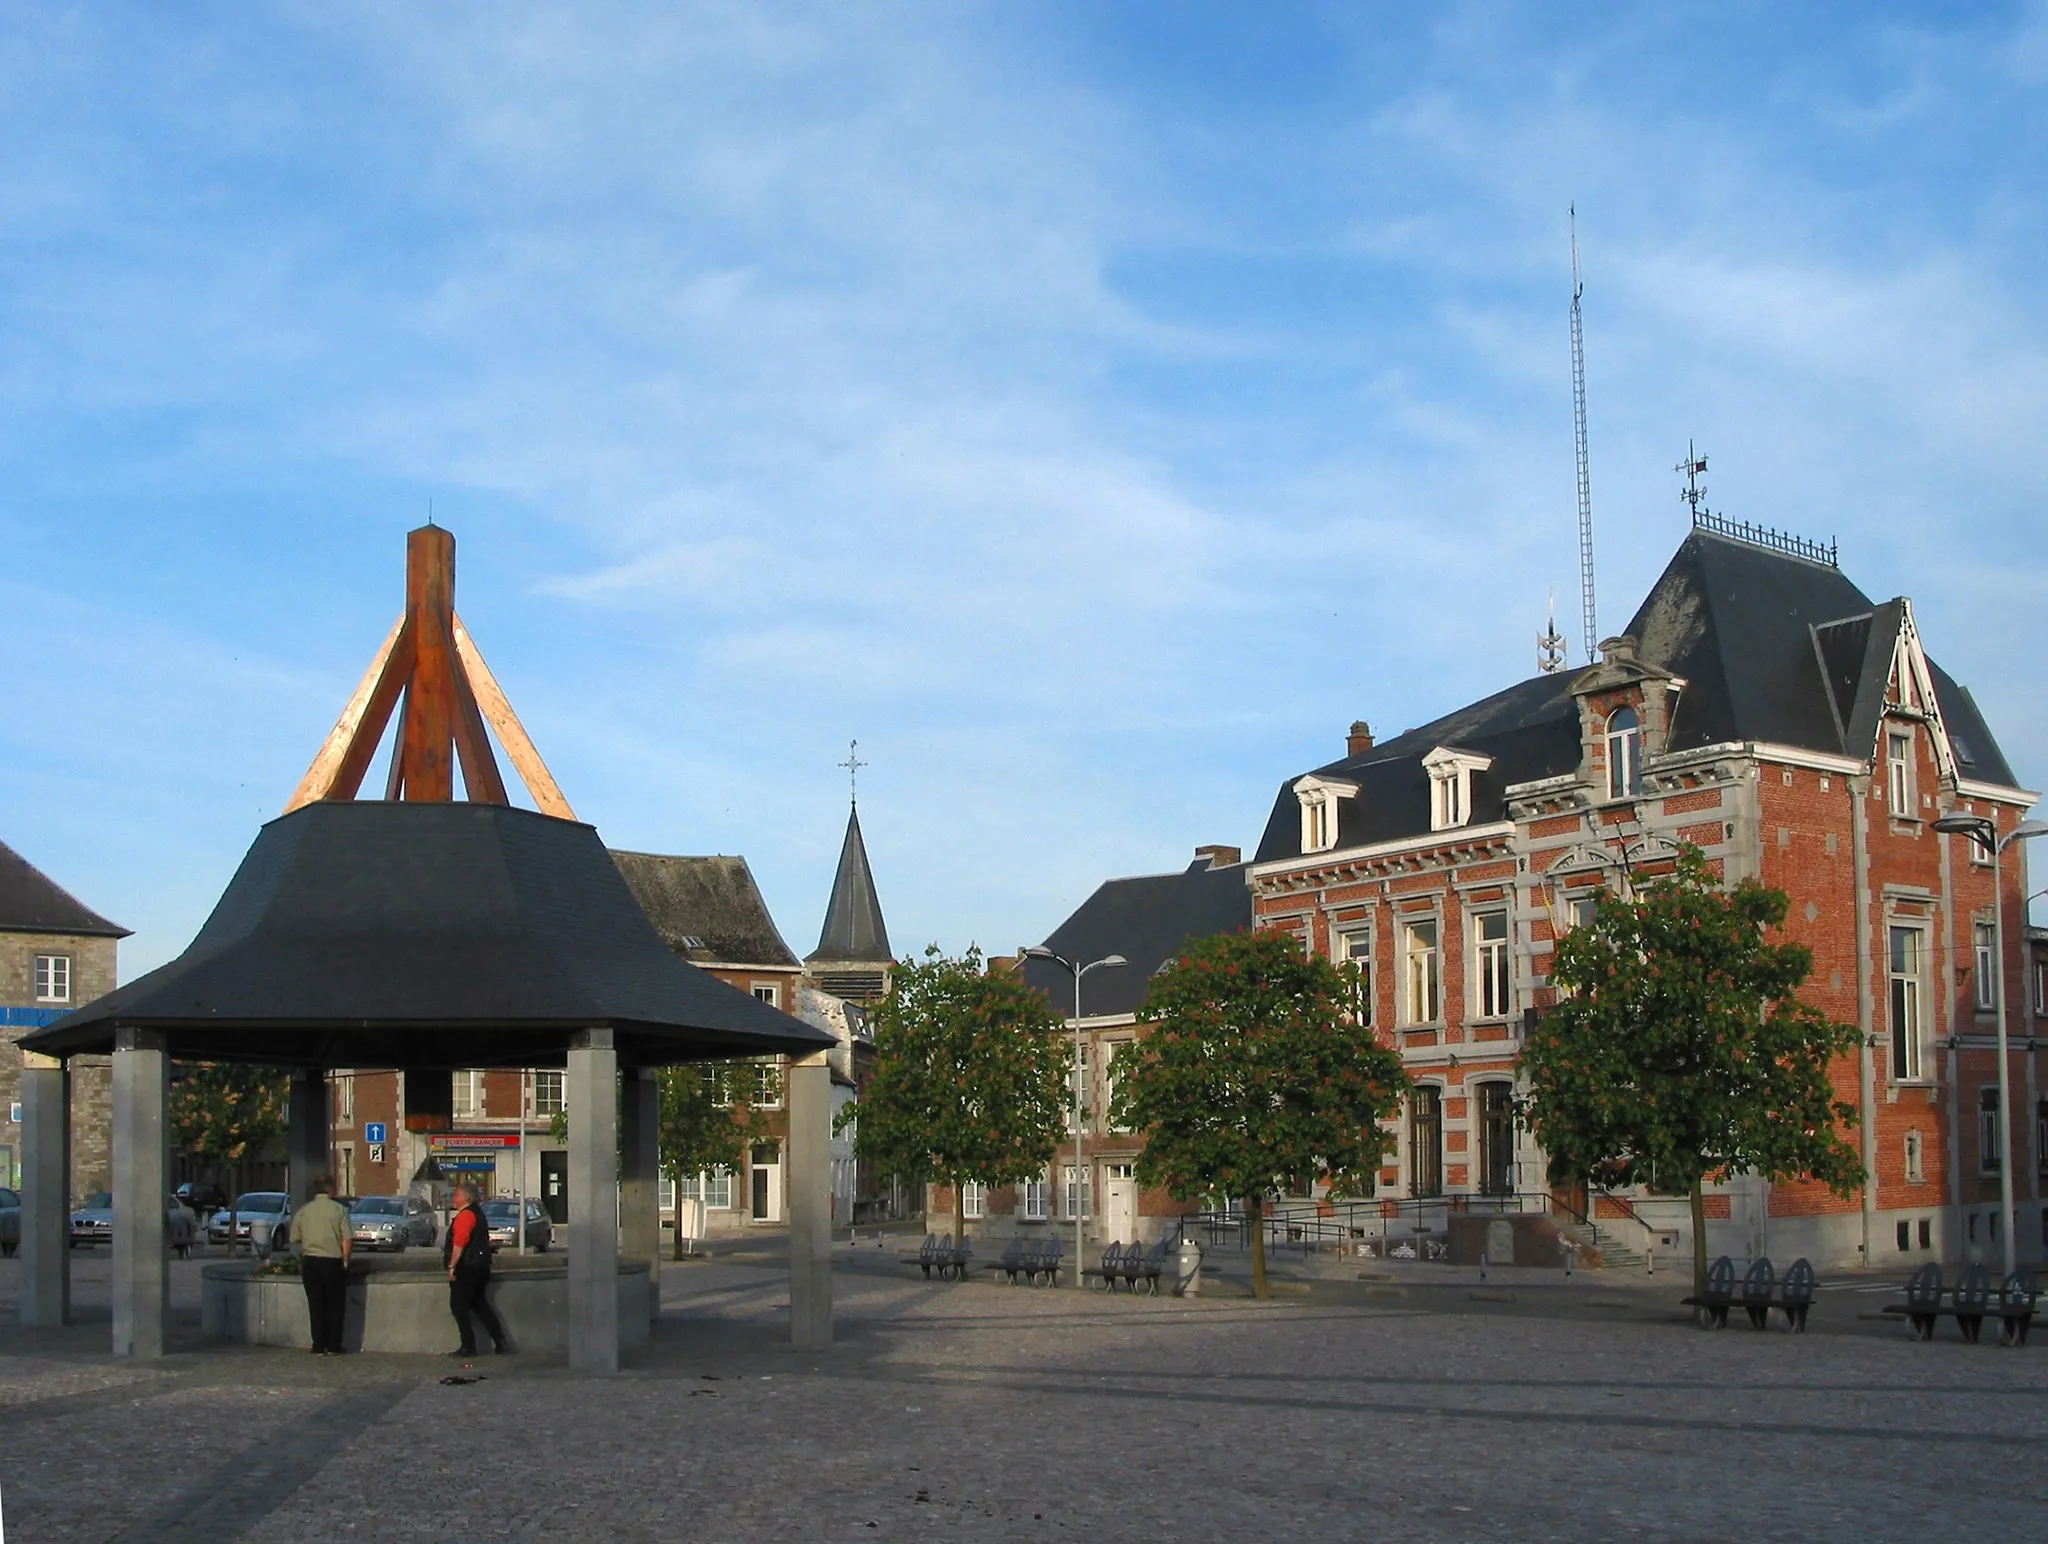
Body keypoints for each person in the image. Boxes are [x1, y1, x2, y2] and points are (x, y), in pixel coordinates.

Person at [288, 1175, 351, 1356]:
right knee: (334, 1305)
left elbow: (294, 1237)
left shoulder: (304, 1211)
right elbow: (347, 1238)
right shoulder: (339, 1210)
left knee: (315, 1305)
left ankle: (318, 1346)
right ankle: (333, 1346)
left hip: (311, 1261)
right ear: (330, 1190)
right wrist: (346, 1260)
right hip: (332, 1261)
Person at [445, 1184, 509, 1357]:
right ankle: (499, 1339)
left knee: (458, 1306)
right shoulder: (478, 1214)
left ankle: (468, 1345)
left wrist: (452, 1266)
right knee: (479, 1304)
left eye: (457, 1195)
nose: (454, 1198)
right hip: (480, 1267)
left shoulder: (466, 1216)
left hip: (467, 1268)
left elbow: (460, 1242)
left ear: (466, 1198)